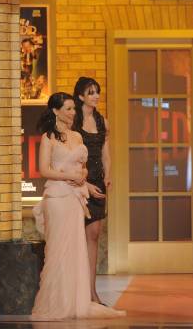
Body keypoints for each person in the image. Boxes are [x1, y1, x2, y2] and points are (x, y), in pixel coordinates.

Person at [31, 92, 124, 320]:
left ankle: (76, 302)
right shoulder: (48, 138)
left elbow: (82, 168)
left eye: (74, 108)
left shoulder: (77, 137)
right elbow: (44, 170)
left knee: (75, 252)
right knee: (57, 253)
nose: (73, 113)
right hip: (57, 199)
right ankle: (56, 303)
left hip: (74, 201)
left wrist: (82, 176)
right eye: (69, 109)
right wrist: (68, 176)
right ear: (56, 111)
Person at [73, 77, 111, 306]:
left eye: (97, 91)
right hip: (78, 182)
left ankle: (92, 292)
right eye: (91, 92)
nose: (96, 96)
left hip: (98, 181)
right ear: (80, 96)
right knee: (76, 237)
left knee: (94, 235)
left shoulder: (102, 121)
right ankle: (75, 293)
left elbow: (106, 153)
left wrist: (109, 175)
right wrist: (81, 182)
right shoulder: (73, 121)